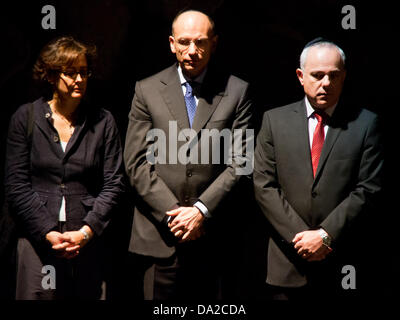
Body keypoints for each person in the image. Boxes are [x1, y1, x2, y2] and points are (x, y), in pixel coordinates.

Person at [123, 9, 252, 299]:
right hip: (160, 237)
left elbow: (241, 163)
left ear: (214, 44)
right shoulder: (146, 90)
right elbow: (136, 163)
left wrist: (200, 212)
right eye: (184, 42)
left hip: (214, 238)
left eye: (200, 42)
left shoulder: (237, 91)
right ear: (171, 44)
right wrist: (176, 216)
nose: (191, 51)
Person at [253, 38, 383, 300]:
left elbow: (368, 188)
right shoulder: (274, 120)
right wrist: (301, 239)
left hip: (342, 262)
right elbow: (263, 185)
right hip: (287, 262)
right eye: (317, 75)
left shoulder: (366, 123)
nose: (326, 83)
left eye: (334, 76)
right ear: (301, 76)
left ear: (344, 76)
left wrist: (325, 237)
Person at [4, 36, 125, 299]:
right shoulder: (26, 118)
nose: (79, 79)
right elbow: (17, 185)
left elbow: (114, 183)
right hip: (37, 242)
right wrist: (48, 231)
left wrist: (85, 231)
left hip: (86, 242)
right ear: (50, 75)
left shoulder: (103, 122)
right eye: (70, 73)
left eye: (84, 72)